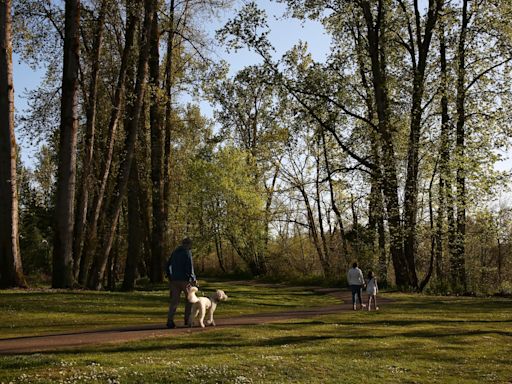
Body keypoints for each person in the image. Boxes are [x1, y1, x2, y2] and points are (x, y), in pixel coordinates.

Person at [165, 237, 197, 329]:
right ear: (188, 244)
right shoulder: (187, 253)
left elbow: (168, 265)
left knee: (174, 301)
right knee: (190, 300)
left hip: (174, 280)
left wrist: (169, 276)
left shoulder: (175, 252)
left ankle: (170, 320)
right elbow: (190, 267)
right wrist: (193, 278)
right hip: (185, 280)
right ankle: (187, 319)